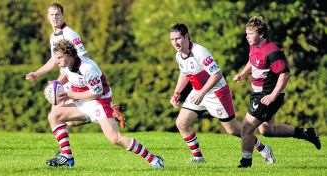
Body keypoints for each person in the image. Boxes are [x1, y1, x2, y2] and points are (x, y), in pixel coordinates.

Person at [38, 40, 164, 168]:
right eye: (56, 58)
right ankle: (67, 157)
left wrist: (70, 95)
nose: (57, 61)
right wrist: (56, 85)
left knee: (115, 138)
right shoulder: (66, 65)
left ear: (69, 54)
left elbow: (96, 93)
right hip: (82, 100)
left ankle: (154, 159)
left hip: (99, 102)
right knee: (55, 116)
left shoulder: (87, 68)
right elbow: (66, 75)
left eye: (59, 57)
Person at [169, 23, 274, 163]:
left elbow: (216, 75)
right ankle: (198, 157)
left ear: (186, 37)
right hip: (199, 91)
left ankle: (263, 149)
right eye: (172, 39)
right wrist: (177, 93)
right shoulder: (179, 55)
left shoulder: (200, 52)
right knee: (181, 123)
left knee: (234, 131)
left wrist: (202, 93)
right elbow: (185, 72)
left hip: (217, 93)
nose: (175, 42)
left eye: (178, 38)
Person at [235, 16, 321, 168]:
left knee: (246, 128)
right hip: (258, 94)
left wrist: (273, 95)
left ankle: (245, 163)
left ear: (261, 34)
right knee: (267, 130)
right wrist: (243, 74)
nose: (246, 36)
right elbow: (251, 60)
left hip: (267, 96)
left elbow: (285, 74)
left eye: (250, 33)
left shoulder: (273, 51)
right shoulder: (254, 45)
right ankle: (306, 133)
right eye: (246, 33)